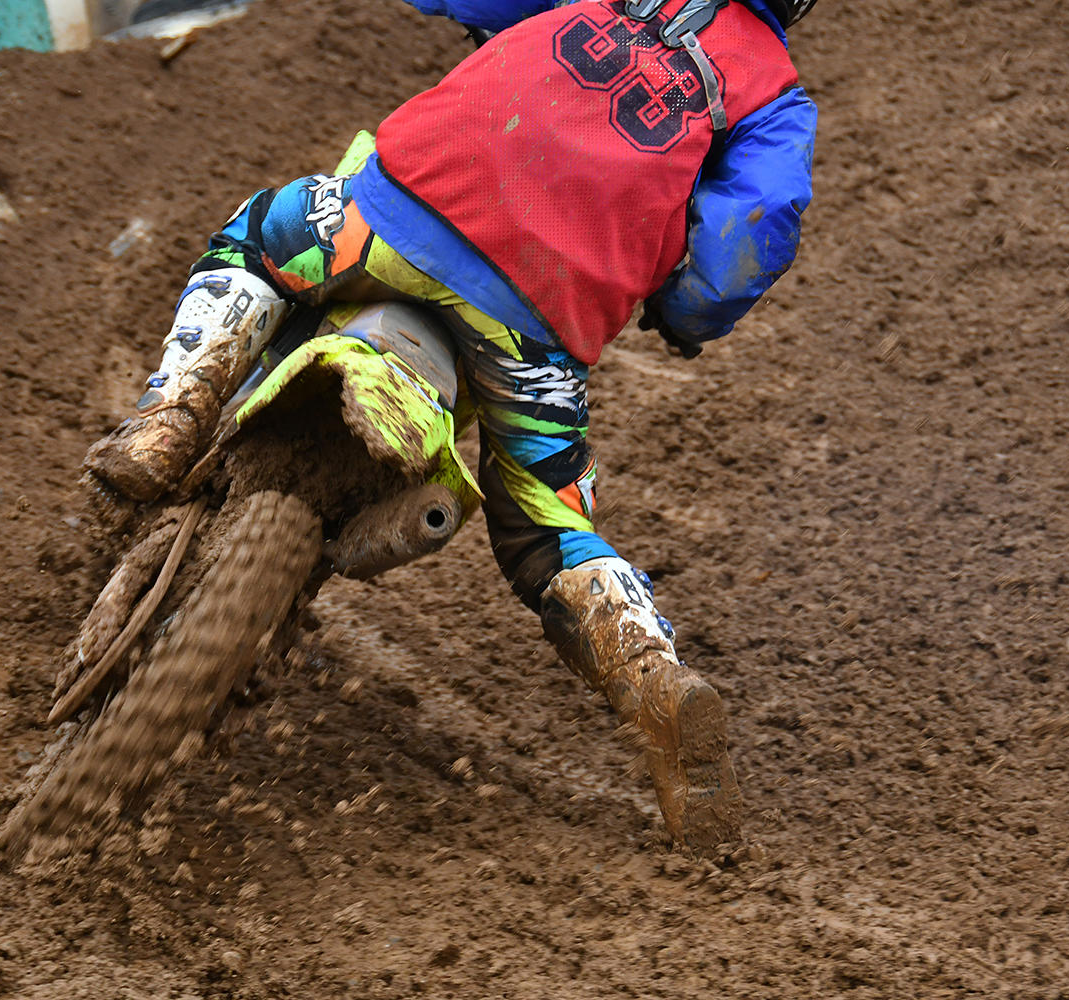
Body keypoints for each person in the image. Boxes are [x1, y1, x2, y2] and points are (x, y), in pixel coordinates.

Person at [83, 0, 818, 851]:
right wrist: (686, 315)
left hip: (392, 216)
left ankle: (167, 417)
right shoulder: (775, 101)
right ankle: (654, 678)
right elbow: (749, 233)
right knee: (550, 527)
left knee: (257, 238)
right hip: (533, 321)